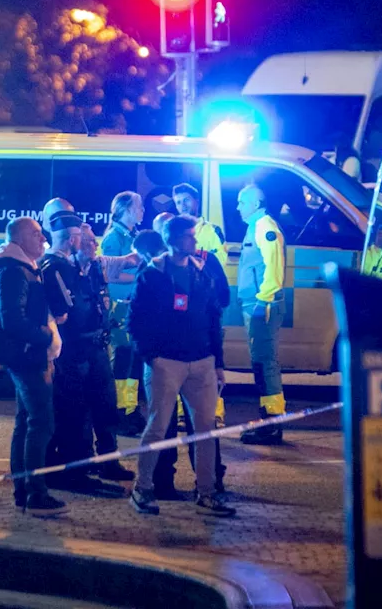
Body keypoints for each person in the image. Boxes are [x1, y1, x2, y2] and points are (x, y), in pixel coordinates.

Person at [127, 217, 235, 517]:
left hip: (201, 362)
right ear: (173, 239)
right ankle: (142, 488)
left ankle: (207, 493)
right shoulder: (152, 274)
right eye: (189, 236)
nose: (195, 242)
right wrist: (151, 356)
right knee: (158, 427)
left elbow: (214, 318)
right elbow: (135, 321)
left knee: (205, 430)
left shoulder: (202, 272)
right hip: (166, 363)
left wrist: (218, 363)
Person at [40, 215, 133, 490]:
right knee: (76, 412)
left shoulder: (93, 267)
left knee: (106, 406)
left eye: (94, 240)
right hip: (74, 350)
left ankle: (109, 461)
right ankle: (79, 470)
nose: (94, 245)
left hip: (97, 346)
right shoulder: (60, 268)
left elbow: (124, 264)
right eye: (90, 241)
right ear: (75, 242)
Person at [0, 217, 67, 517]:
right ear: (18, 239)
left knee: (25, 423)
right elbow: (13, 320)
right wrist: (45, 336)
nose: (42, 237)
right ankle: (36, 493)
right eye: (35, 233)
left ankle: (24, 491)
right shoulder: (14, 272)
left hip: (27, 355)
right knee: (41, 423)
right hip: (27, 356)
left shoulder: (24, 268)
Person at [236, 184, 287, 446]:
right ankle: (268, 419)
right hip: (256, 303)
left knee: (265, 363)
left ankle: (272, 423)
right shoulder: (256, 224)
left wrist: (262, 301)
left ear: (255, 202)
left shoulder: (264, 226)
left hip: (262, 304)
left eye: (241, 202)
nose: (238, 207)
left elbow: (274, 269)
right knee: (261, 362)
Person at [100, 192, 144, 434]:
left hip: (130, 304)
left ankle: (130, 408)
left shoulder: (132, 235)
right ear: (126, 209)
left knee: (133, 360)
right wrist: (141, 278)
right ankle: (118, 412)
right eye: (139, 206)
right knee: (123, 358)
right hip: (119, 305)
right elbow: (111, 274)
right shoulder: (113, 238)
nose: (142, 211)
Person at [172, 183, 225, 257]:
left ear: (197, 201)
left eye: (186, 200)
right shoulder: (171, 231)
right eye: (178, 202)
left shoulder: (213, 231)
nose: (183, 205)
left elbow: (220, 262)